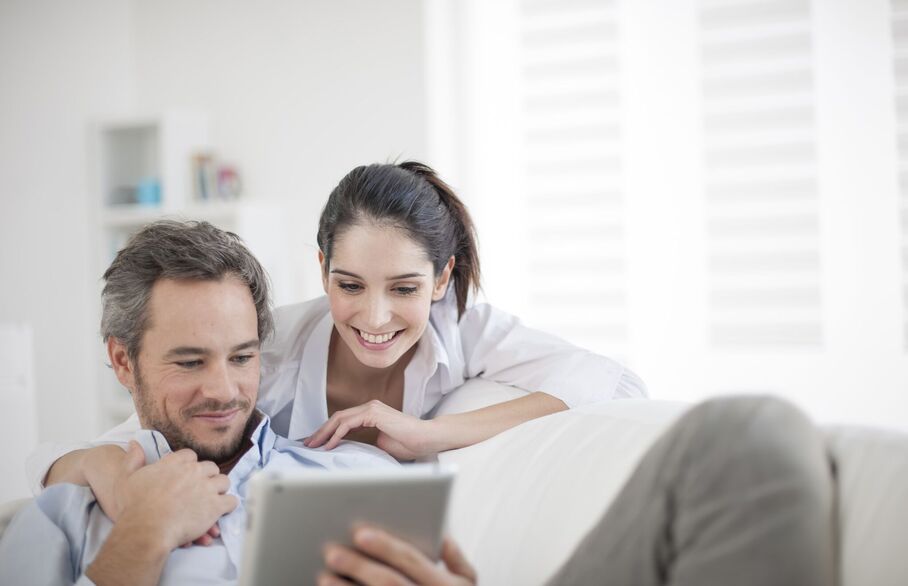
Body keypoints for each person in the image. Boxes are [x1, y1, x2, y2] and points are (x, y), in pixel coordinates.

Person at [4, 221, 835, 586]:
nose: (224, 389)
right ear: (122, 361)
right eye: (189, 361)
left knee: (746, 441)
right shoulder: (71, 517)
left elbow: (607, 380)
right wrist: (140, 541)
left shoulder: (349, 472)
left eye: (244, 356)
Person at [30, 161, 646, 506]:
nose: (375, 320)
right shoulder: (259, 351)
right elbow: (111, 442)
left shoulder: (462, 328)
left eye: (403, 289)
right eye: (349, 286)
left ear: (441, 278)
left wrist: (427, 433)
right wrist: (97, 467)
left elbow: (611, 384)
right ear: (321, 268)